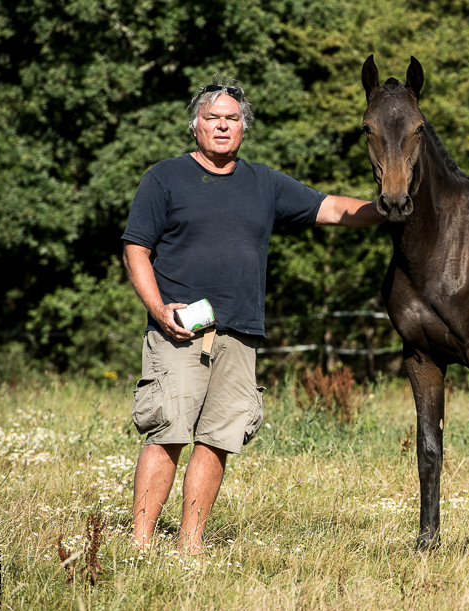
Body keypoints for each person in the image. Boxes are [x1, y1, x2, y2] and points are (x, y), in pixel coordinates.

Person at [122, 76, 381, 554]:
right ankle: (139, 544)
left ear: (244, 128)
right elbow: (136, 249)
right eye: (213, 118)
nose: (222, 127)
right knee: (168, 432)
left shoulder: (264, 182)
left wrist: (393, 207)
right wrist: (159, 311)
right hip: (180, 330)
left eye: (232, 119)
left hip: (240, 332)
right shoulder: (164, 178)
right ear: (195, 126)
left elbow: (333, 208)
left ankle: (189, 546)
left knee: (219, 439)